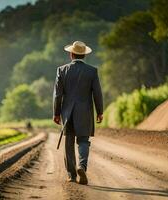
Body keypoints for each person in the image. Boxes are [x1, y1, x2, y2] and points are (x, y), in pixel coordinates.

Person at [53, 41, 103, 185]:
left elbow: (58, 95)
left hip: (68, 113)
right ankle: (82, 166)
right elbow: (97, 94)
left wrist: (56, 113)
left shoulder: (61, 70)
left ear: (71, 54)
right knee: (83, 141)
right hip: (85, 112)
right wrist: (100, 112)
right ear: (84, 55)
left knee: (68, 143)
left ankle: (72, 175)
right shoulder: (92, 71)